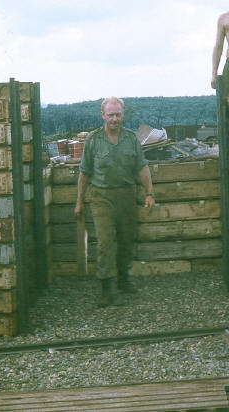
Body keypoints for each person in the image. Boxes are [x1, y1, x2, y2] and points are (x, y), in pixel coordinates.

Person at [74, 97, 155, 307]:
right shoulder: (93, 140)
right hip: (100, 197)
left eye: (118, 115)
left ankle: (122, 278)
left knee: (127, 239)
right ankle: (106, 288)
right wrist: (79, 202)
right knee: (105, 242)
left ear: (123, 115)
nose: (114, 119)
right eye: (110, 115)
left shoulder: (131, 139)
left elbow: (142, 167)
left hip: (126, 196)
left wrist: (149, 193)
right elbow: (84, 173)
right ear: (103, 115)